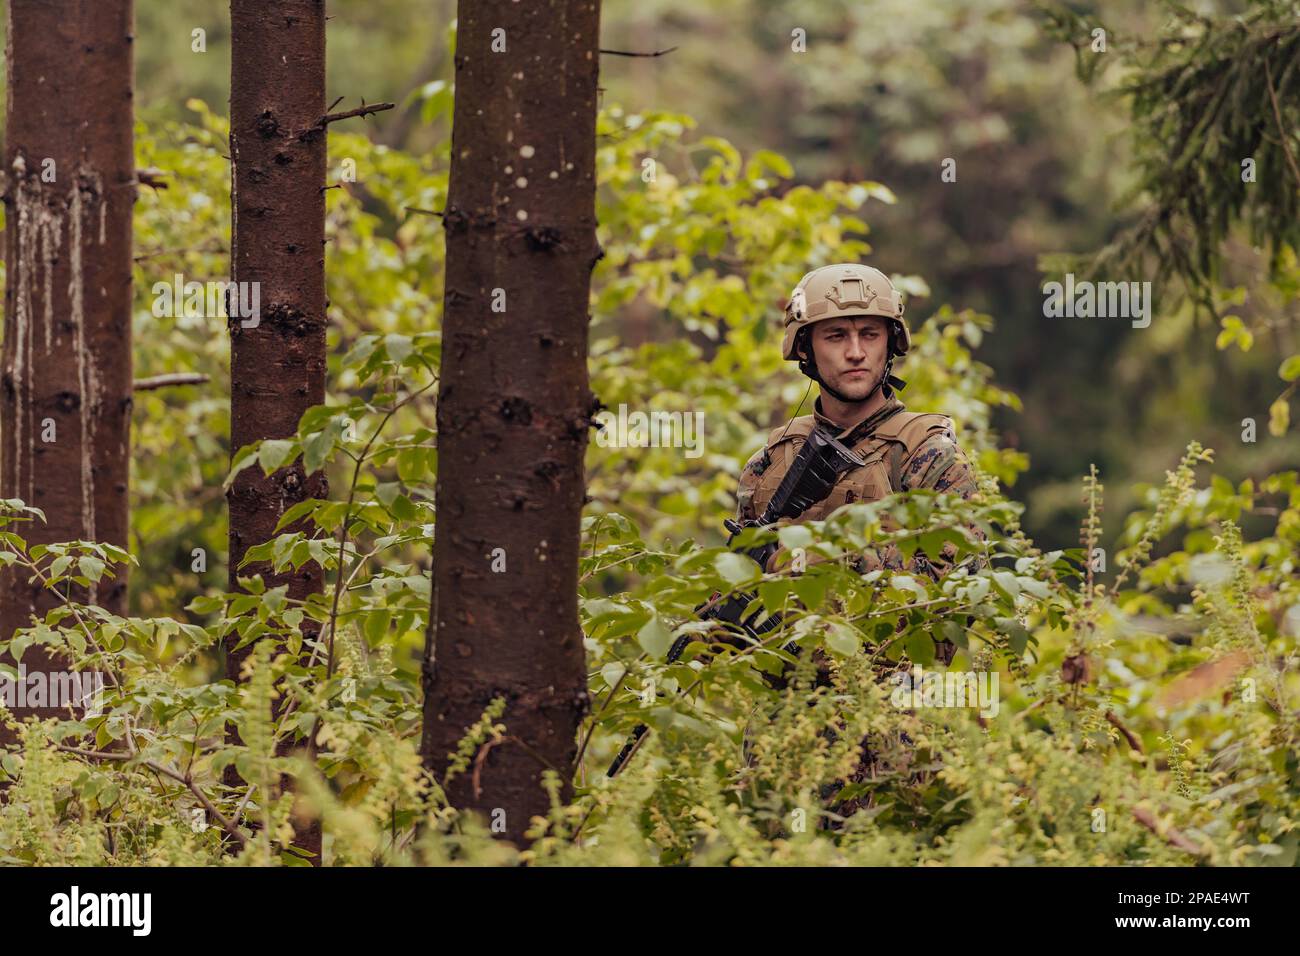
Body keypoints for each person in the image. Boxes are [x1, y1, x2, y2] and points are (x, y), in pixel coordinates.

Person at [735, 262, 979, 577]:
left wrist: (825, 561)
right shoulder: (770, 462)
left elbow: (959, 589)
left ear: (890, 344)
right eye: (836, 336)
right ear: (806, 348)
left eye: (869, 335)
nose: (855, 352)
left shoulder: (927, 456)